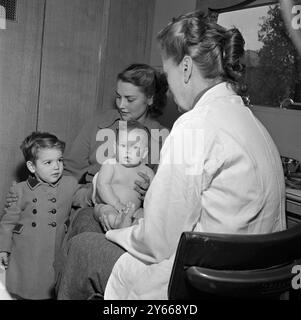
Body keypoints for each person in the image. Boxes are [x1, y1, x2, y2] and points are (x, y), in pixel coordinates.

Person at [58, 10, 286, 300]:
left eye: (168, 73)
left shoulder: (194, 125)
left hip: (196, 282)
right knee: (89, 218)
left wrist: (120, 226)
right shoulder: (251, 122)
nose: (170, 85)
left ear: (187, 68)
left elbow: (158, 242)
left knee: (82, 246)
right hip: (246, 278)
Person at [5, 63, 169, 238]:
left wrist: (148, 191)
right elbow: (64, 175)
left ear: (150, 98)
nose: (121, 105)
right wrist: (28, 193)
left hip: (136, 210)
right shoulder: (99, 123)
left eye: (130, 99)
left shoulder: (163, 138)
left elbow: (166, 193)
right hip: (91, 207)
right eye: (118, 97)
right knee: (90, 233)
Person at [0, 132, 90, 299]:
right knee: (26, 287)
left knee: (50, 286)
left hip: (54, 248)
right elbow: (8, 222)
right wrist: (3, 248)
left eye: (60, 160)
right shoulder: (20, 189)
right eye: (48, 162)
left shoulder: (69, 184)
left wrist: (97, 191)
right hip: (26, 249)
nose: (56, 167)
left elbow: (82, 196)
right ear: (32, 167)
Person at [93, 120, 154, 230]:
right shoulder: (110, 164)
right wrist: (117, 204)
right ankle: (117, 223)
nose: (128, 151)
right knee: (104, 211)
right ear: (114, 148)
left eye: (135, 148)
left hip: (135, 210)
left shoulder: (147, 172)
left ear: (144, 153)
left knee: (146, 216)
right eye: (123, 145)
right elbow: (102, 185)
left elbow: (155, 195)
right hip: (110, 205)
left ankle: (134, 227)